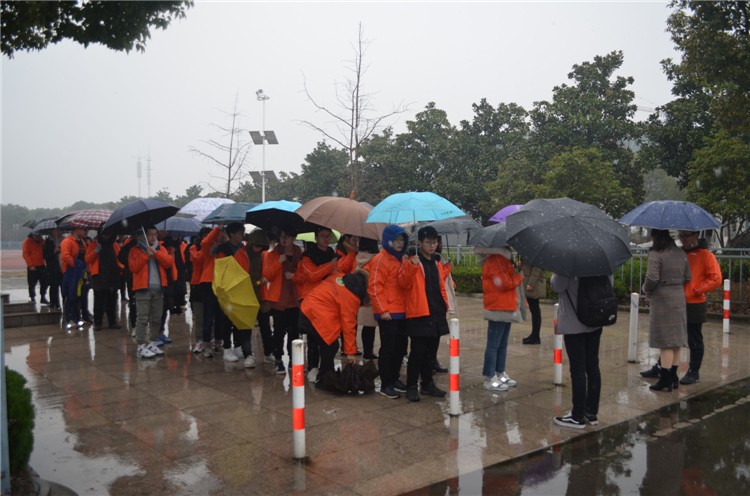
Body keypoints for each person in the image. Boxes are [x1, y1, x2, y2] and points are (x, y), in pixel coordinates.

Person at [398, 226, 449, 402]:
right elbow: (403, 283)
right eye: (428, 242)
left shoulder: (436, 263)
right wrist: (412, 265)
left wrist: (445, 304)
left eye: (434, 242)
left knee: (431, 353)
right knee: (417, 353)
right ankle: (412, 386)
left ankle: (427, 384)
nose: (432, 246)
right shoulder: (413, 262)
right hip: (419, 313)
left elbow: (441, 286)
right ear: (420, 243)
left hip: (436, 313)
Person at [299, 270, 369, 388]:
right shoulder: (351, 297)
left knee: (319, 342)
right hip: (318, 315)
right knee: (330, 346)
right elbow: (349, 326)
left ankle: (318, 371)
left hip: (306, 309)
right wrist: (350, 353)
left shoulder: (339, 277)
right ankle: (324, 378)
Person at [550, 274, 603, 428]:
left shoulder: (568, 265)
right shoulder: (600, 263)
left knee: (578, 369)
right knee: (593, 366)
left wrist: (555, 274)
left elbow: (557, 286)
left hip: (574, 323)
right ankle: (591, 412)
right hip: (594, 320)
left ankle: (577, 415)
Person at [642, 229, 691, 392]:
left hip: (662, 299)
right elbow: (688, 277)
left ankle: (664, 379)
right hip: (678, 297)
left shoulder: (656, 254)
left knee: (665, 342)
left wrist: (645, 289)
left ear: (655, 237)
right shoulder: (681, 253)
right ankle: (673, 377)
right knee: (676, 340)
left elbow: (652, 278)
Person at [368, 225, 409, 399]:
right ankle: (386, 384)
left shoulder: (402, 259)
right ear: (388, 240)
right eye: (396, 239)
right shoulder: (380, 260)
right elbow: (374, 287)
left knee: (401, 348)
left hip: (402, 311)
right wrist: (382, 310)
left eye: (402, 239)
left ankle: (394, 378)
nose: (400, 243)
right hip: (388, 313)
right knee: (388, 348)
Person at [677, 231, 722, 385]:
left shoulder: (706, 255)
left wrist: (697, 290)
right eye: (680, 236)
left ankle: (694, 371)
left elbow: (716, 278)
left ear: (695, 235)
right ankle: (662, 366)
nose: (682, 239)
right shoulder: (679, 254)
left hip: (694, 302)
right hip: (676, 300)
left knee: (694, 338)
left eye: (686, 236)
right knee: (671, 335)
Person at [478, 246, 524, 391]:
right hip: (498, 306)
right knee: (494, 344)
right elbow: (504, 283)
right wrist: (519, 277)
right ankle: (489, 376)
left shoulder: (503, 258)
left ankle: (499, 372)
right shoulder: (495, 259)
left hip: (505, 305)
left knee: (502, 343)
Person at [294, 226, 337, 373]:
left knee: (328, 335)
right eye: (322, 235)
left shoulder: (332, 253)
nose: (326, 239)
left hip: (328, 300)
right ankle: (312, 367)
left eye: (328, 235)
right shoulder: (307, 256)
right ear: (316, 238)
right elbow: (312, 275)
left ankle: (327, 367)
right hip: (312, 300)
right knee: (313, 336)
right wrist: (330, 266)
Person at [212, 222, 255, 365]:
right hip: (227, 289)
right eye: (240, 233)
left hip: (240, 288)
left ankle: (237, 346)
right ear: (232, 234)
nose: (242, 235)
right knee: (226, 320)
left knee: (238, 318)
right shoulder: (223, 250)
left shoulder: (243, 249)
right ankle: (227, 348)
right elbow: (220, 269)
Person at [261, 226, 302, 375]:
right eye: (282, 236)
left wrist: (295, 275)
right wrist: (279, 261)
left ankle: (293, 359)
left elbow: (302, 272)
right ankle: (278, 359)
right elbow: (267, 275)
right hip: (279, 299)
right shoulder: (273, 254)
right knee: (279, 332)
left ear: (294, 238)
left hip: (294, 298)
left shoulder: (298, 252)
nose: (285, 240)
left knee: (294, 332)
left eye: (288, 236)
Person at [128, 226, 174, 359]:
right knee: (142, 318)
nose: (153, 237)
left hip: (158, 288)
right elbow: (133, 267)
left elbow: (168, 263)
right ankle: (141, 346)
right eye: (149, 234)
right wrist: (145, 255)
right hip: (142, 289)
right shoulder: (135, 249)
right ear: (144, 236)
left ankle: (153, 342)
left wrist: (156, 253)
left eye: (155, 234)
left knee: (156, 318)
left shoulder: (161, 248)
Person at [246, 229, 274, 365]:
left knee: (266, 328)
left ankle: (269, 353)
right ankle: (247, 354)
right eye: (256, 246)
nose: (258, 249)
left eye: (261, 247)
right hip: (248, 296)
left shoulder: (264, 255)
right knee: (246, 329)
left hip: (262, 298)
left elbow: (269, 272)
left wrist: (265, 278)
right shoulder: (243, 256)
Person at [85, 229, 123, 330]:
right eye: (104, 233)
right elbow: (88, 259)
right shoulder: (95, 244)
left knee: (112, 300)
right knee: (99, 300)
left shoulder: (114, 245)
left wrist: (120, 268)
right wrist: (96, 251)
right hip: (99, 275)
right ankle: (98, 323)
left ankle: (112, 322)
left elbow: (119, 258)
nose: (106, 236)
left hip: (113, 275)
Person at [60, 226, 88, 329]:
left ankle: (77, 318)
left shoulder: (82, 242)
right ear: (76, 230)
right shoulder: (67, 241)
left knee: (79, 295)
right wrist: (76, 265)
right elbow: (65, 256)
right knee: (71, 295)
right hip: (71, 272)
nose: (85, 231)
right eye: (83, 229)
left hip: (81, 272)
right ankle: (70, 318)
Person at [520, 259, 546, 344]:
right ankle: (534, 335)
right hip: (530, 283)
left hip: (533, 285)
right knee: (534, 310)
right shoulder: (530, 254)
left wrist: (531, 283)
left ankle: (535, 337)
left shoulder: (536, 254)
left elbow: (537, 269)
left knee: (535, 311)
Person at [22, 232, 48, 303]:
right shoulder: (27, 242)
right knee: (32, 284)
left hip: (41, 265)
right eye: (36, 235)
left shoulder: (42, 241)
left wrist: (44, 243)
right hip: (33, 267)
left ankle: (43, 297)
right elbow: (25, 254)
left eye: (39, 235)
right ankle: (32, 297)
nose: (38, 236)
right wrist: (30, 265)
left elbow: (45, 252)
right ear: (33, 235)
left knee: (44, 282)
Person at [43, 228, 63, 310]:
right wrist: (54, 251)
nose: (57, 232)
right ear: (51, 231)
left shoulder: (64, 240)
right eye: (55, 230)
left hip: (62, 267)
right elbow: (45, 256)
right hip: (52, 268)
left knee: (63, 286)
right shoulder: (48, 241)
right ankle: (54, 303)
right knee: (54, 286)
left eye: (58, 230)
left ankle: (65, 303)